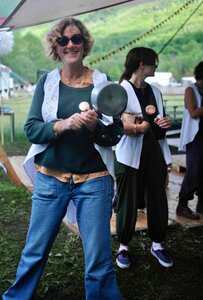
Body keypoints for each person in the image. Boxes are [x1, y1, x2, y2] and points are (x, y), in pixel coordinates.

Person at [2, 17, 123, 300]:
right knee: (35, 251)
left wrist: (94, 127)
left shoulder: (103, 82)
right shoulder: (48, 81)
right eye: (63, 40)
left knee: (98, 259)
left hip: (94, 181)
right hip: (51, 179)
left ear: (85, 43)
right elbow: (31, 128)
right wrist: (62, 125)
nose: (71, 44)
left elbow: (115, 134)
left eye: (76, 38)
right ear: (56, 46)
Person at [114, 47, 173, 269]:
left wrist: (163, 124)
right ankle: (123, 246)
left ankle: (157, 243)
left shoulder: (155, 91)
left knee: (158, 197)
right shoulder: (120, 91)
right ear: (142, 65)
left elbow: (158, 126)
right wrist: (139, 127)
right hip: (128, 154)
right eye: (153, 63)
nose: (155, 67)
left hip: (154, 153)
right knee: (127, 200)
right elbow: (115, 126)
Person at [176, 61, 203, 220]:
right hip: (195, 137)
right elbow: (193, 112)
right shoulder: (191, 90)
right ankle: (182, 205)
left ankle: (201, 204)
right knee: (193, 171)